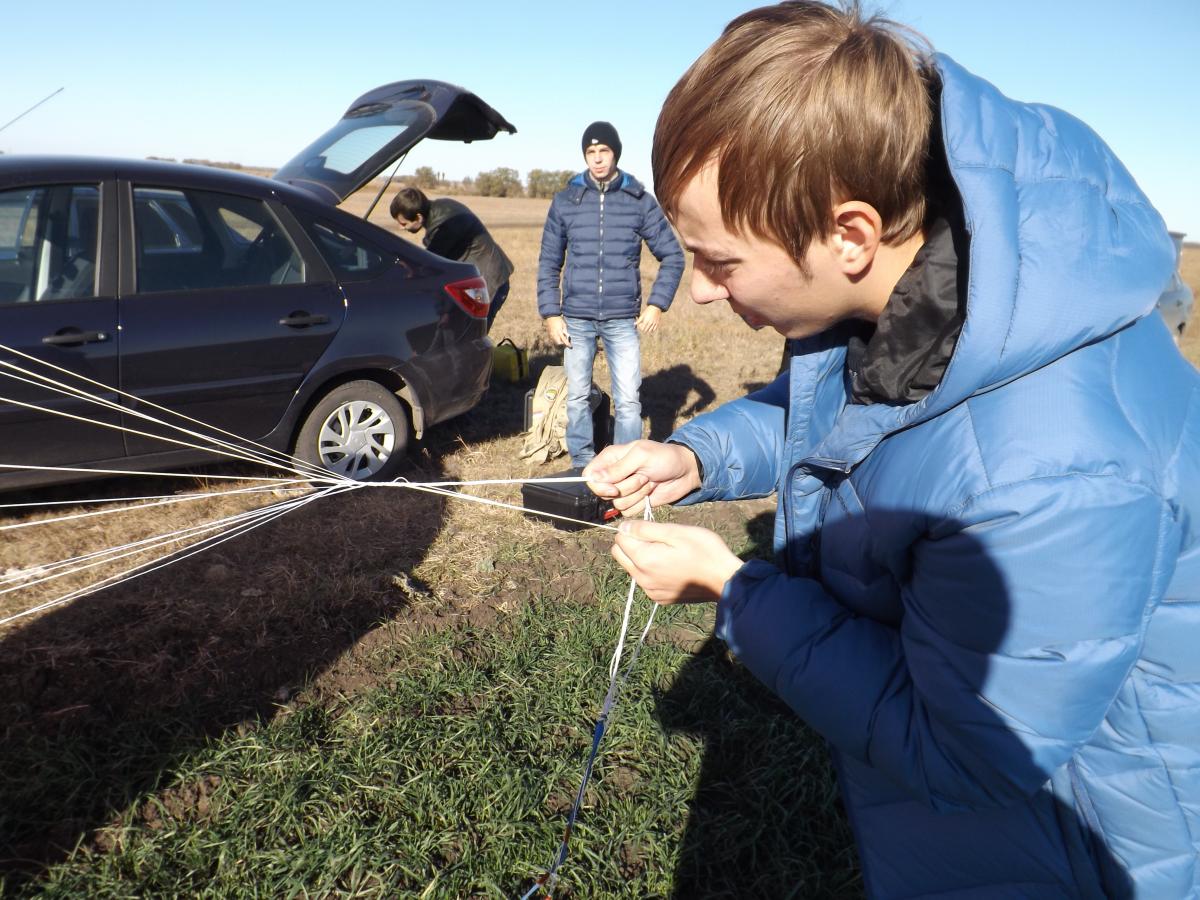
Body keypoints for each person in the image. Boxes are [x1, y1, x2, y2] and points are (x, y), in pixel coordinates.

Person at [584, 3, 1200, 897]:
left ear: (851, 235)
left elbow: (966, 756)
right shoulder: (924, 285)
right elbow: (837, 412)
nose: (705, 298)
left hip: (1087, 845)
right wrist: (700, 458)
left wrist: (733, 587)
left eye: (721, 264)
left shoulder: (1053, 468)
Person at [537, 121, 685, 470]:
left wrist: (656, 304)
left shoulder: (638, 201)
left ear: (615, 153)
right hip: (576, 317)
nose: (598, 159)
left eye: (604, 151)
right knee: (576, 397)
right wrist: (551, 313)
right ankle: (582, 465)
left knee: (629, 401)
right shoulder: (566, 201)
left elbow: (673, 255)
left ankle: (625, 466)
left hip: (622, 319)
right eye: (591, 152)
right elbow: (548, 262)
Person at [390, 187, 513, 330]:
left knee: (472, 335)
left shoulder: (445, 228)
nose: (400, 228)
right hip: (486, 277)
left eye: (404, 224)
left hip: (489, 283)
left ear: (418, 217)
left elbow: (429, 265)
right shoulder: (442, 205)